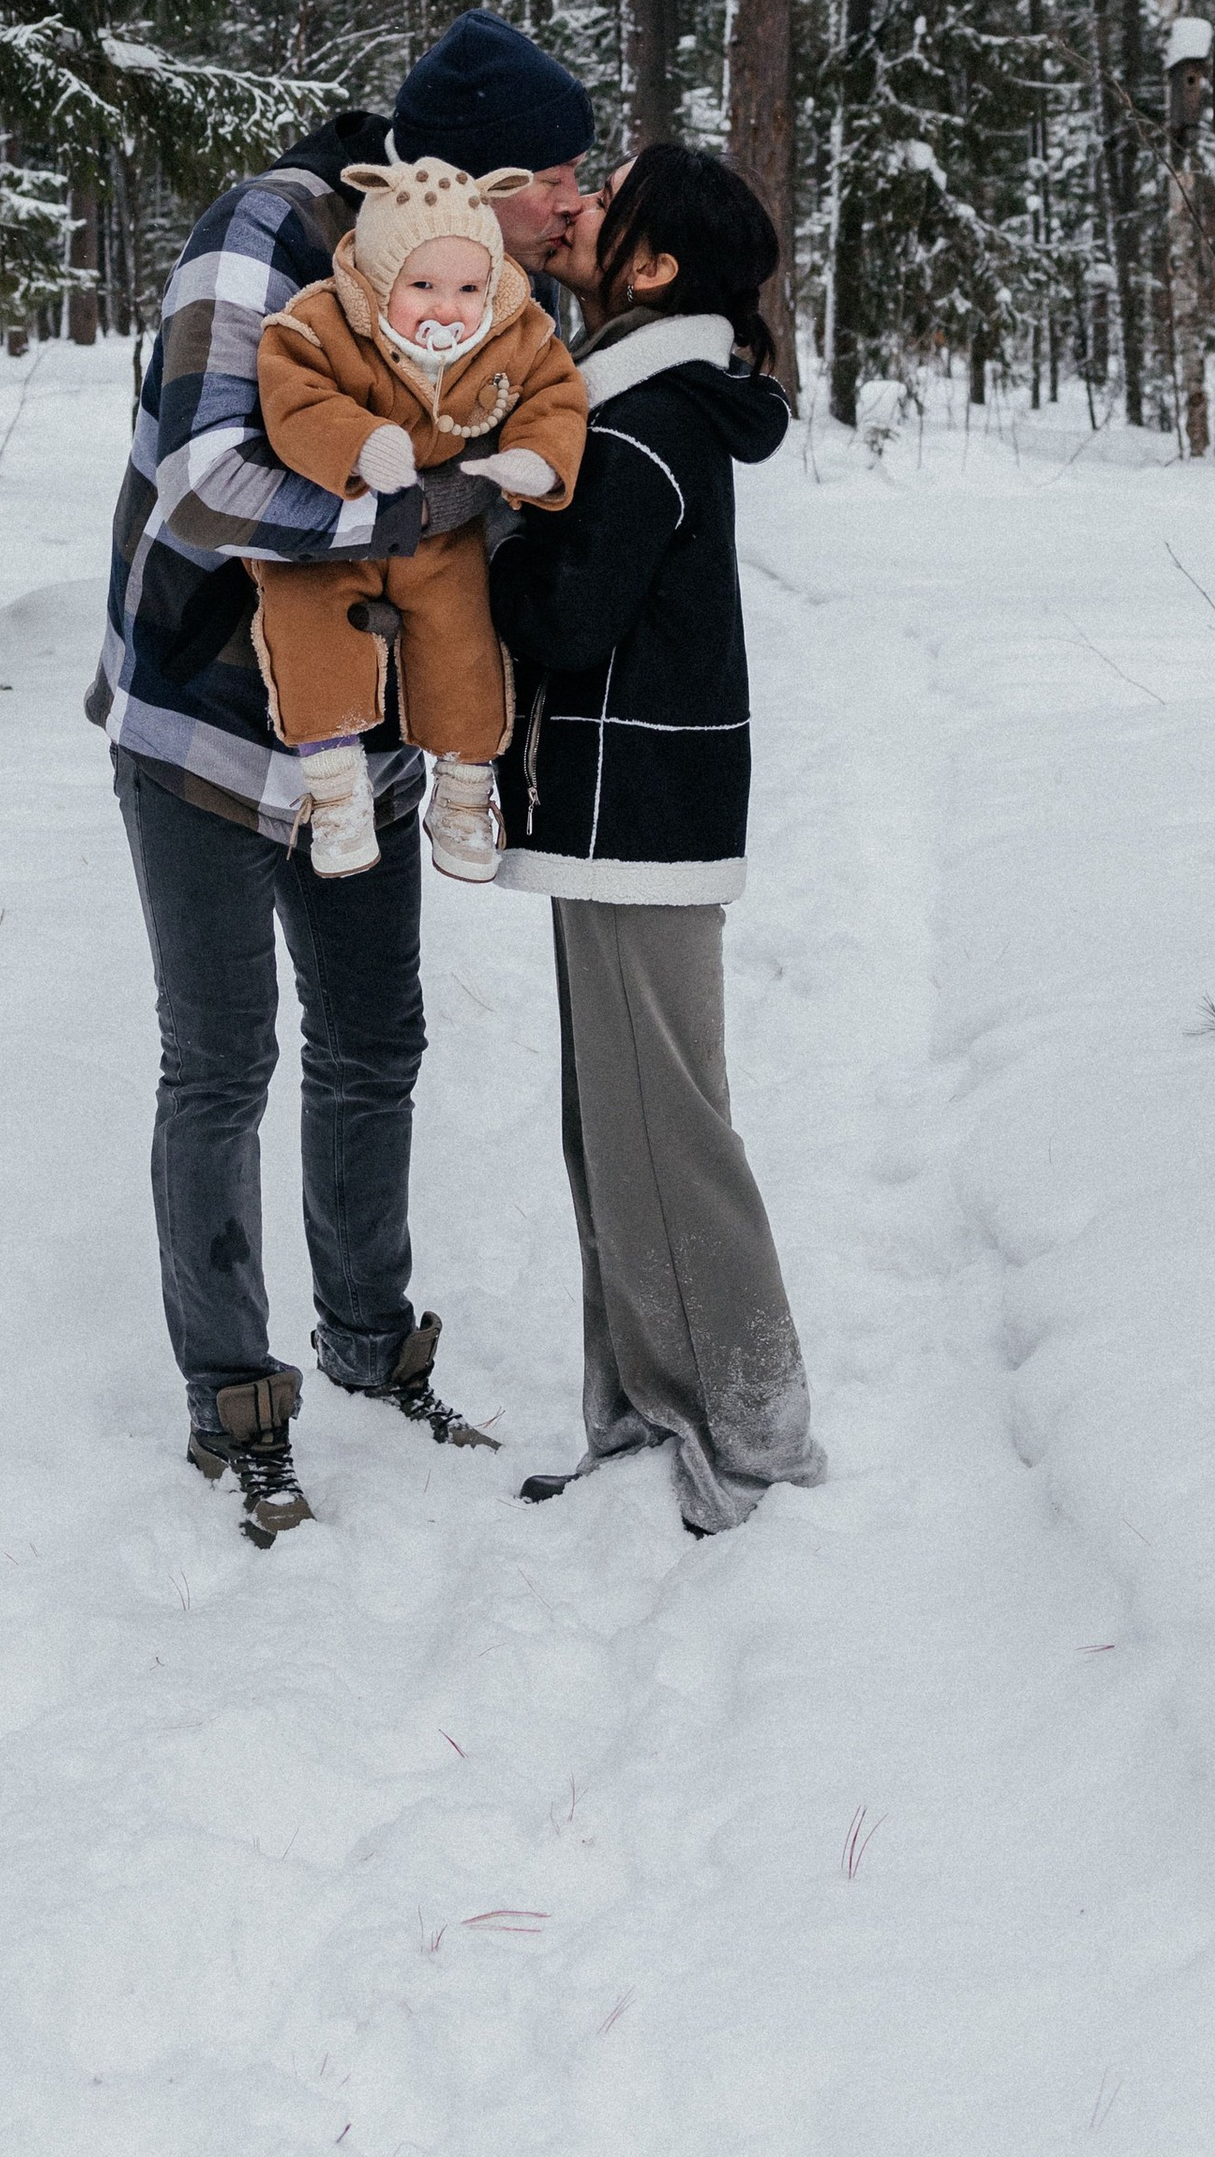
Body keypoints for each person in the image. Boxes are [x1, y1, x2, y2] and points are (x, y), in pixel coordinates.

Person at [89, 10, 594, 1549]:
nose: (568, 211)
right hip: (205, 723)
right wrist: (435, 511)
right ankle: (233, 1397)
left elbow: (538, 463)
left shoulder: (501, 293)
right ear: (478, 172)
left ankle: (371, 1340)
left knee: (377, 1043)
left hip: (361, 742)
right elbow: (207, 477)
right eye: (554, 182)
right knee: (222, 1062)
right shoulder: (267, 234)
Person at [488, 143, 826, 1537]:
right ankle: (644, 1408)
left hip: (638, 817)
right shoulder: (644, 394)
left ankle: (750, 1439)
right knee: (617, 1130)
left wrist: (492, 537)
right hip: (626, 813)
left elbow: (567, 622)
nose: (579, 208)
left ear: (656, 264)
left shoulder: (638, 421)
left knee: (663, 1129)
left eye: (607, 201)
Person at [251, 154, 587, 880]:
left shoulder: (512, 330)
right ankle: (335, 794)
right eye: (424, 285)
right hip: (332, 529)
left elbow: (554, 394)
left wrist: (537, 457)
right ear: (378, 277)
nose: (449, 308)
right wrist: (358, 441)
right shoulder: (323, 322)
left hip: (442, 542)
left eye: (469, 287)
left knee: (464, 641)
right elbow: (293, 395)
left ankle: (463, 797)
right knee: (309, 633)